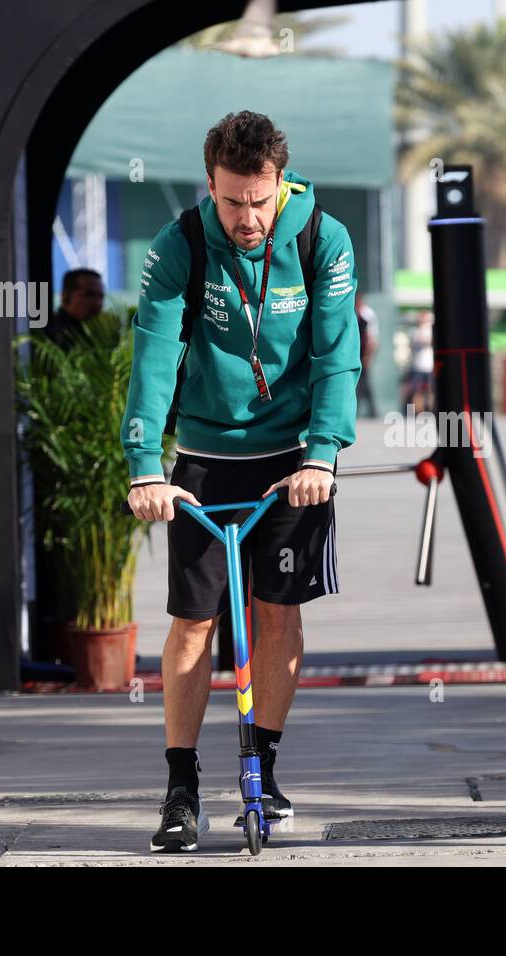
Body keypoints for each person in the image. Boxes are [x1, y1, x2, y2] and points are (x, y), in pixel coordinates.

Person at [120, 111, 360, 853]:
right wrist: (144, 466)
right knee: (193, 623)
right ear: (210, 187)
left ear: (280, 183)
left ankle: (264, 760)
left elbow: (338, 354)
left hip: (292, 464)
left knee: (277, 617)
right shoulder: (182, 243)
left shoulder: (324, 237)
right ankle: (180, 784)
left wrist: (322, 454)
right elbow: (155, 355)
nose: (247, 218)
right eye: (231, 202)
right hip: (203, 461)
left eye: (259, 200)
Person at [45, 268, 105, 349]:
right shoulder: (53, 335)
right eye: (89, 295)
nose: (97, 303)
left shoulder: (101, 334)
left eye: (101, 297)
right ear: (66, 296)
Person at [355, 289, 379, 417]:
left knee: (365, 381)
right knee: (359, 382)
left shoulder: (366, 314)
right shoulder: (353, 311)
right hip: (355, 352)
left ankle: (372, 410)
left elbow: (371, 337)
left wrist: (367, 355)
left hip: (363, 352)